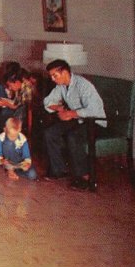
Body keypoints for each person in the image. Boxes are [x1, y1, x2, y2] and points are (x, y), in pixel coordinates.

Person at [43, 59, 106, 191]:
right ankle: (59, 170)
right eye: (51, 76)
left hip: (94, 122)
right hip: (78, 120)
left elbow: (93, 110)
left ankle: (84, 177)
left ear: (65, 72)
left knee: (73, 136)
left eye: (55, 75)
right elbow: (47, 101)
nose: (53, 79)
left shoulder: (83, 85)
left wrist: (70, 113)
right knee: (50, 133)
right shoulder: (61, 86)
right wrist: (59, 109)